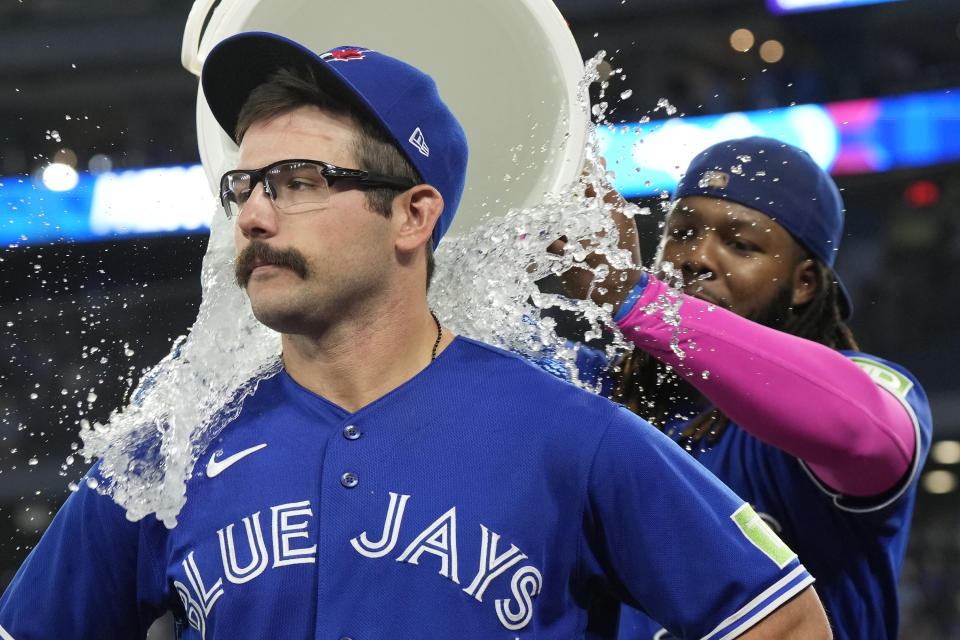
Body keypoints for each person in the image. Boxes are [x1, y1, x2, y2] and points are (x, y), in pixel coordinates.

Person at [0, 36, 832, 639]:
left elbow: (784, 622)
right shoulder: (171, 448)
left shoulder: (567, 428)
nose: (252, 214)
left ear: (413, 215)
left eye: (298, 183)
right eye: (244, 185)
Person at [552, 136, 932, 640]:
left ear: (803, 284)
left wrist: (638, 300)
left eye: (740, 244)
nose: (695, 258)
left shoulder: (858, 386)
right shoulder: (595, 388)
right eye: (682, 232)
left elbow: (870, 433)